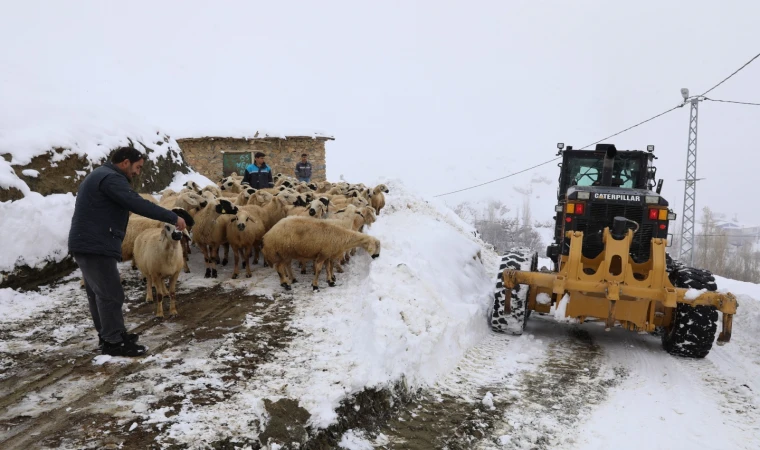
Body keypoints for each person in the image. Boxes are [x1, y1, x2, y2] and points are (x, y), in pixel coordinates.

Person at [68, 147, 187, 357]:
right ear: (125, 162)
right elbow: (136, 203)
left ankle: (111, 335)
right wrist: (172, 217)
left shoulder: (101, 175)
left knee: (99, 294)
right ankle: (113, 342)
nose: (138, 172)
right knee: (110, 294)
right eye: (138, 167)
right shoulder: (111, 178)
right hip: (95, 244)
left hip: (88, 242)